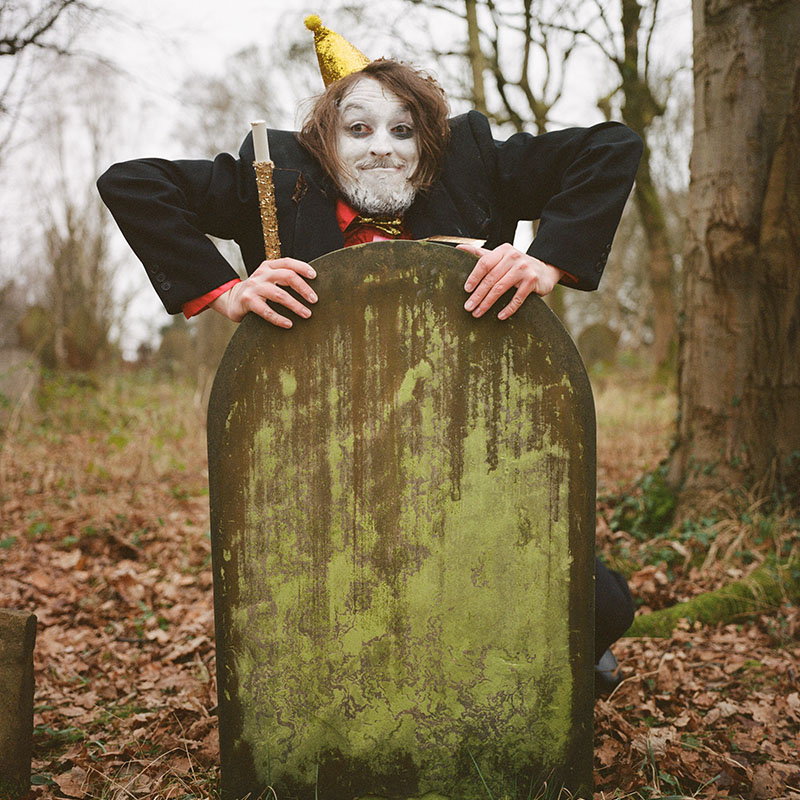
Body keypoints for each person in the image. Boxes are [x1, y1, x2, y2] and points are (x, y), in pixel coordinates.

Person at [98, 31, 641, 694]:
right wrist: (229, 291)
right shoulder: (272, 180)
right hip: (328, 446)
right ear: (326, 144)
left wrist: (546, 260)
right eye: (358, 128)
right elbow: (132, 183)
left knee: (601, 605)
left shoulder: (472, 160)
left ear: (427, 145)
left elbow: (612, 147)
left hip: (466, 431)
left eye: (402, 130)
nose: (382, 145)